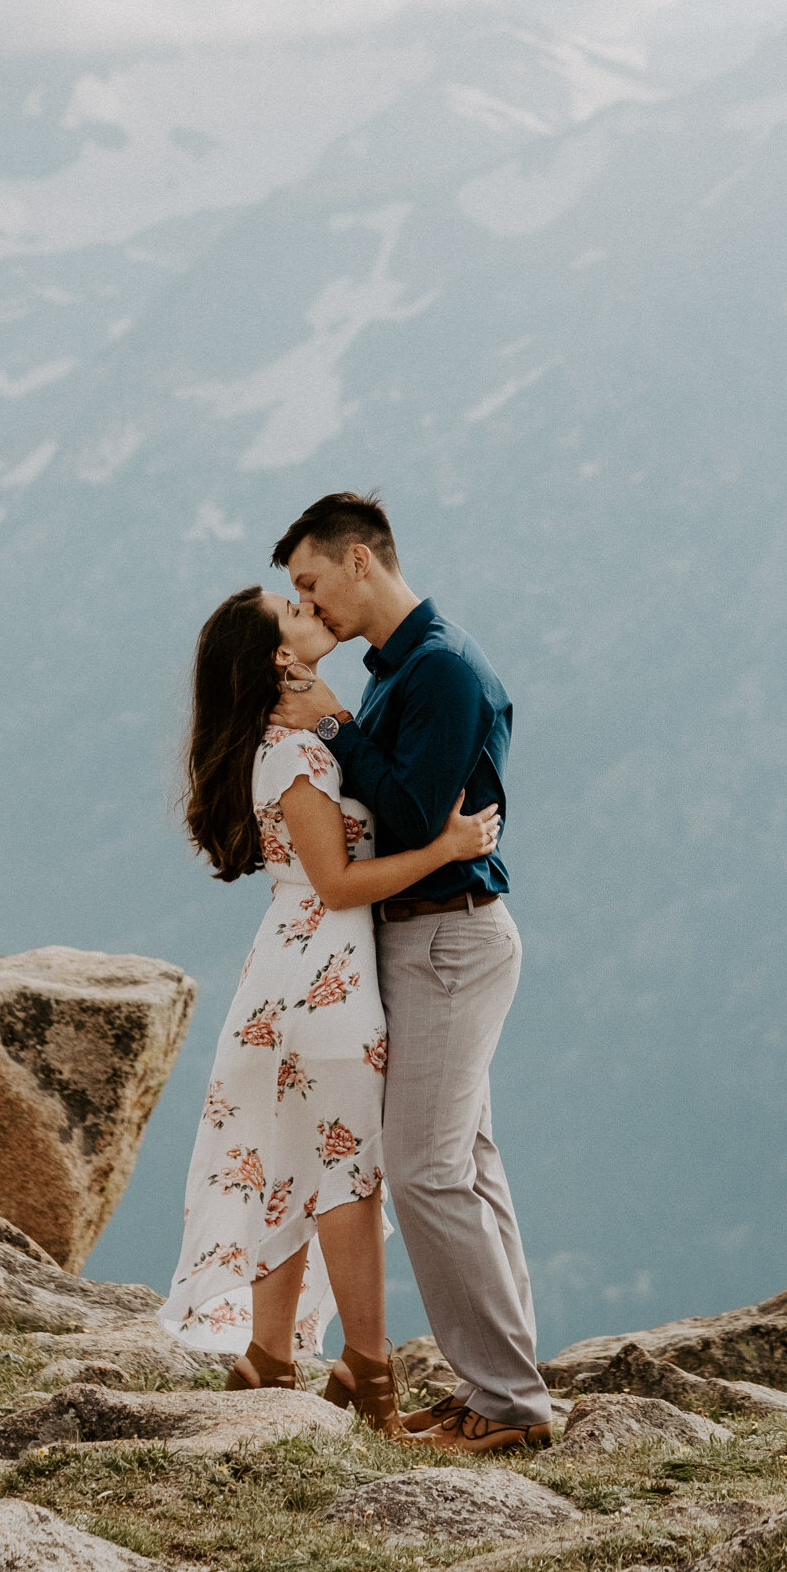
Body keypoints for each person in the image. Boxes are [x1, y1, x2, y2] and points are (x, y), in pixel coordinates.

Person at [159, 582, 498, 1443]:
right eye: (296, 613)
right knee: (347, 1177)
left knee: (301, 1166)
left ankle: (271, 1358)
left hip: (301, 973)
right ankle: (374, 1379)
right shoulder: (299, 756)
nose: (312, 613)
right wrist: (445, 848)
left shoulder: (298, 741)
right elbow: (339, 884)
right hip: (323, 981)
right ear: (281, 657)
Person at [268, 491, 552, 1455]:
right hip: (437, 937)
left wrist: (338, 724)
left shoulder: (438, 672)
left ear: (360, 562)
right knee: (464, 1162)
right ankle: (504, 1389)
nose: (310, 604)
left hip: (445, 936)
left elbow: (412, 813)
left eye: (311, 582)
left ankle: (508, 1405)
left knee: (425, 1172)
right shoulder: (409, 669)